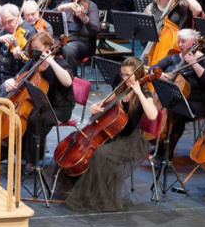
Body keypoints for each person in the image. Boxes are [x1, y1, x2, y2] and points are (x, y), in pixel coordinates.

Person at [65, 57, 158, 212]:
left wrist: (138, 92)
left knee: (101, 153)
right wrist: (96, 106)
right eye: (122, 74)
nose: (124, 78)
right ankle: (91, 193)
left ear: (138, 75)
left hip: (130, 140)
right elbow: (105, 101)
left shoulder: (145, 92)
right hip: (114, 134)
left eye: (128, 75)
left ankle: (103, 197)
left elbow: (153, 115)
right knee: (91, 151)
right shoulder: (122, 87)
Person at [2, 31, 73, 172]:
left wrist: (51, 61)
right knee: (25, 114)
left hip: (59, 107)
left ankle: (32, 160)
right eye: (33, 48)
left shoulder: (59, 62)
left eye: (38, 48)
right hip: (39, 104)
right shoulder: (34, 62)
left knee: (35, 118)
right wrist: (9, 81)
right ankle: (6, 151)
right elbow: (18, 77)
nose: (35, 51)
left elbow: (67, 82)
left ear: (48, 47)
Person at [150, 29, 205, 165]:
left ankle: (168, 150)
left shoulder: (204, 60)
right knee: (161, 107)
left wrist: (194, 63)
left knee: (177, 113)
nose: (180, 44)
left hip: (198, 101)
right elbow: (153, 68)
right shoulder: (173, 58)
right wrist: (158, 73)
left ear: (193, 42)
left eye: (183, 42)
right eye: (179, 41)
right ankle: (159, 142)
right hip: (176, 99)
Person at [57, 0, 100, 75]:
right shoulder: (65, 4)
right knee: (43, 47)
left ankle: (71, 83)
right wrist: (60, 8)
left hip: (83, 42)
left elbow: (96, 28)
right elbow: (50, 17)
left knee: (68, 49)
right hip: (63, 40)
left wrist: (83, 17)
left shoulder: (91, 6)